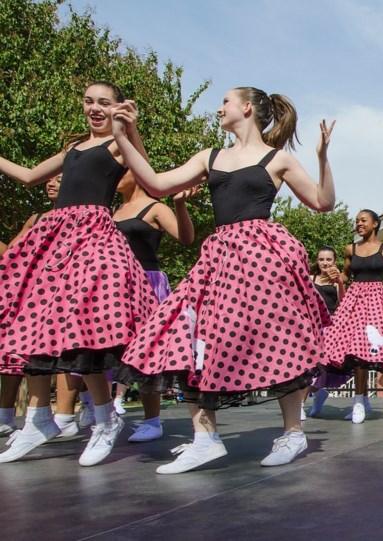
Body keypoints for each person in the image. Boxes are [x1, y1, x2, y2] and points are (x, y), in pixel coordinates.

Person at [110, 86, 336, 473]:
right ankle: (205, 437)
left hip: (263, 256)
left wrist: (322, 157)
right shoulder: (209, 156)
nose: (220, 108)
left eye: (226, 102)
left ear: (246, 108)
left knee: (277, 336)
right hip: (219, 258)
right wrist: (122, 135)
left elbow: (323, 202)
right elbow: (157, 184)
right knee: (186, 333)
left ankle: (293, 433)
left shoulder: (277, 159)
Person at [0, 81, 158, 466]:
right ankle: (39, 419)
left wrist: (129, 129)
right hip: (54, 239)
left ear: (118, 108)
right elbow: (29, 175)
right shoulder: (72, 149)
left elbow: (147, 171)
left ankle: (105, 419)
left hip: (91, 239)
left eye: (104, 102)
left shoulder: (117, 144)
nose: (95, 108)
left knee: (80, 330)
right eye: (89, 102)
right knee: (33, 325)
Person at [324, 210, 383, 423]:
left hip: (376, 302)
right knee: (356, 351)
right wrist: (335, 276)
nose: (359, 224)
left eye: (363, 220)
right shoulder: (351, 248)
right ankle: (360, 400)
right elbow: (345, 277)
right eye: (357, 221)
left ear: (375, 224)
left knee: (366, 350)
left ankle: (361, 401)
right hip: (354, 301)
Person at [0, 174, 61, 436]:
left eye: (59, 179)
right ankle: (8, 417)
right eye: (49, 179)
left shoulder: (88, 220)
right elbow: (10, 253)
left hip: (64, 295)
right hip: (33, 296)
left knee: (67, 358)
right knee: (16, 355)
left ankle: (70, 415)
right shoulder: (36, 219)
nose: (51, 183)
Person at [302, 245, 348, 418]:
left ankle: (310, 398)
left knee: (320, 368)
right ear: (317, 261)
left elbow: (343, 302)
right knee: (308, 367)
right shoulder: (310, 278)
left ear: (335, 262)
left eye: (329, 259)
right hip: (311, 326)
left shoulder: (337, 281)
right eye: (321, 259)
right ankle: (315, 396)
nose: (325, 263)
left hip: (330, 328)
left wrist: (340, 283)